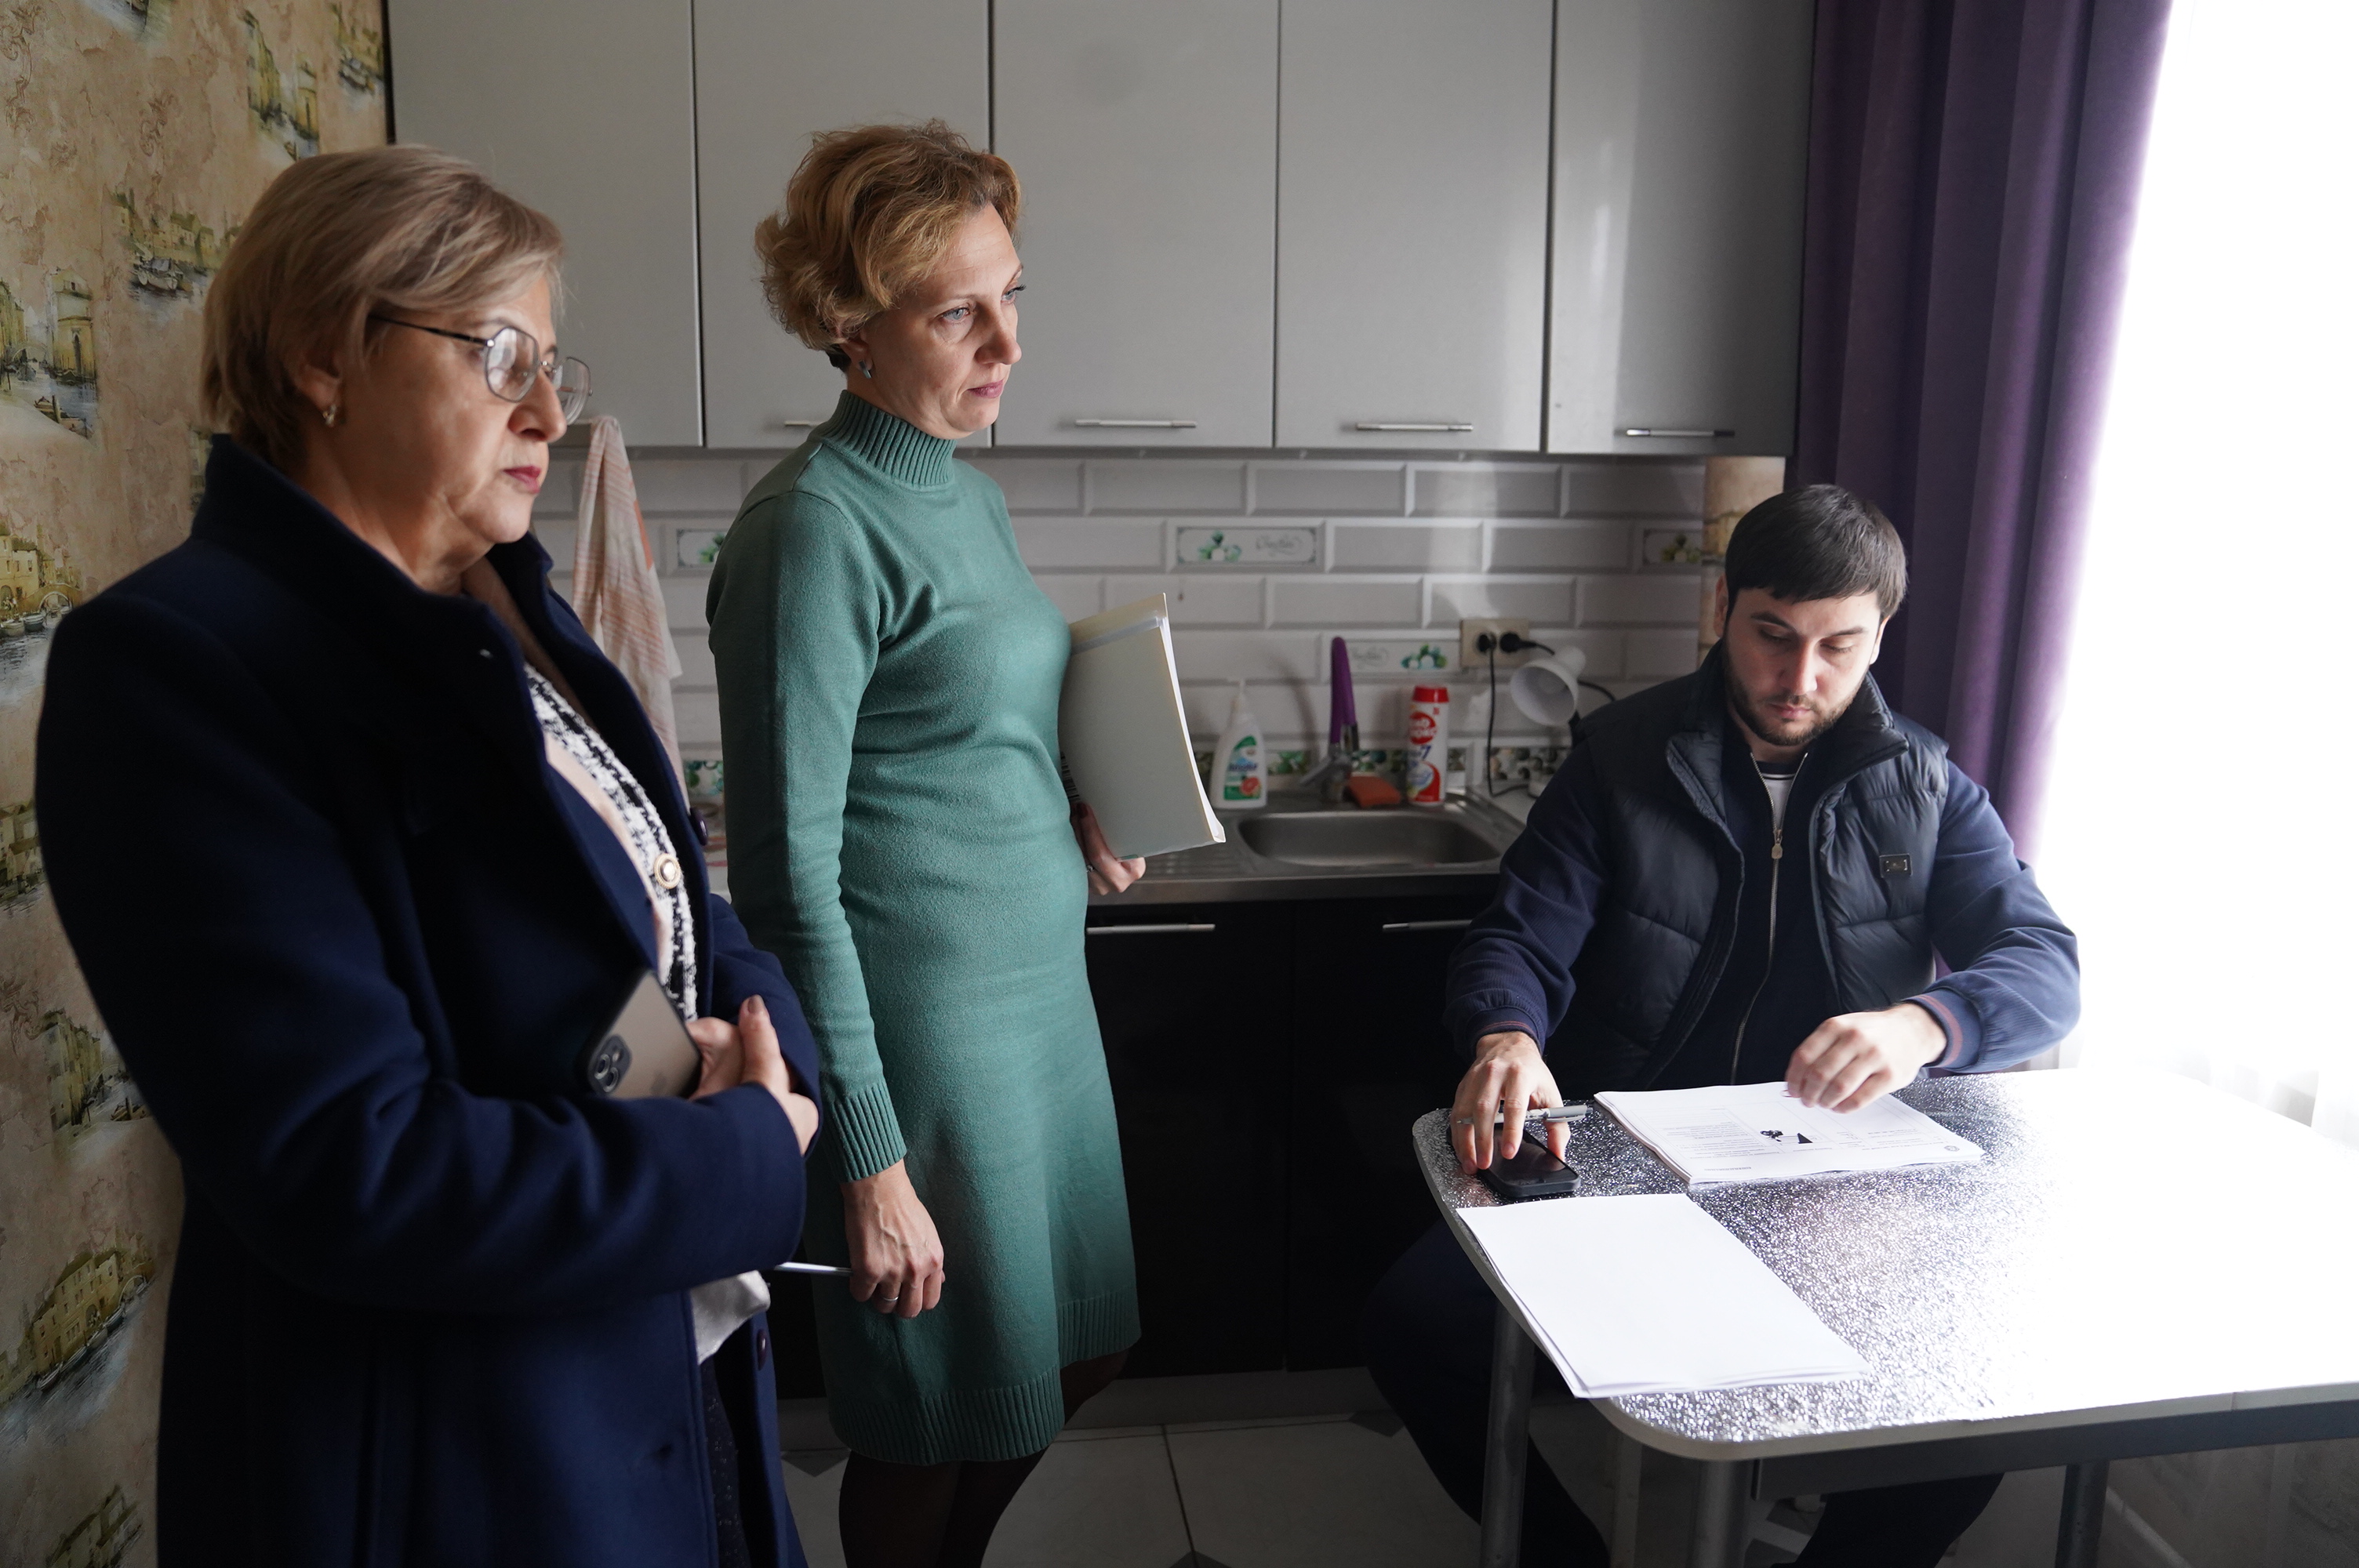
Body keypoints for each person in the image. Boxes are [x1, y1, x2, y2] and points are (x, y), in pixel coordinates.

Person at [35, 147, 823, 1568]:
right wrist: (742, 1151)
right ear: (323, 356)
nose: (549, 413)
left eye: (553, 367)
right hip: (460, 1470)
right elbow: (353, 1166)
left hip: (659, 1368)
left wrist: (773, 1052)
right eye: (502, 355)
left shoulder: (507, 611)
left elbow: (674, 904)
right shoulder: (176, 669)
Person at [1362, 485, 2080, 1567]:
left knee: (1979, 1385)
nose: (1801, 678)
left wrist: (1923, 1026)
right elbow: (1518, 935)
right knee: (1415, 1324)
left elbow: (2046, 964)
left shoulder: (1925, 783)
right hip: (1623, 1152)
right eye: (1772, 636)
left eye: (1839, 646)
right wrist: (1507, 1035)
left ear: (1881, 634)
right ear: (1723, 610)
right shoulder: (1620, 759)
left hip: (1841, 1173)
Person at [706, 122, 1143, 1568]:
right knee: (939, 1403)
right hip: (930, 1040)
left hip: (1041, 1018)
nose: (1008, 343)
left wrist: (1068, 804)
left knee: (1077, 1352)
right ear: (848, 321)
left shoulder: (968, 488)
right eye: (959, 313)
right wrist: (870, 1161)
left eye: (1011, 296)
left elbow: (962, 727)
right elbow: (784, 878)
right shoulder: (812, 528)